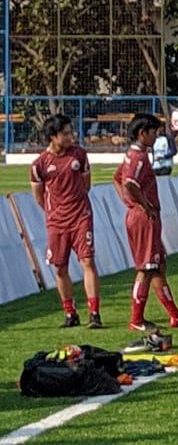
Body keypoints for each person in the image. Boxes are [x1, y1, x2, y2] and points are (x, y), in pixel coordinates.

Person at [113, 113, 178, 333]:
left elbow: (118, 178)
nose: (156, 137)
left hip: (141, 214)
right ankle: (136, 319)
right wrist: (143, 205)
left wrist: (129, 203)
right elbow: (129, 183)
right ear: (142, 133)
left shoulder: (132, 155)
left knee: (158, 266)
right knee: (147, 268)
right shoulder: (139, 157)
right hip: (145, 217)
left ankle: (175, 315)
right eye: (153, 132)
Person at [30, 114, 102, 328]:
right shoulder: (40, 164)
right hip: (56, 223)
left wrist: (75, 205)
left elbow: (86, 185)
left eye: (71, 132)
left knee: (88, 261)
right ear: (53, 137)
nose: (71, 136)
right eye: (66, 133)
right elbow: (39, 196)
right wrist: (55, 212)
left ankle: (94, 313)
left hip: (81, 217)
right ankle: (70, 313)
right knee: (60, 268)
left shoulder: (79, 155)